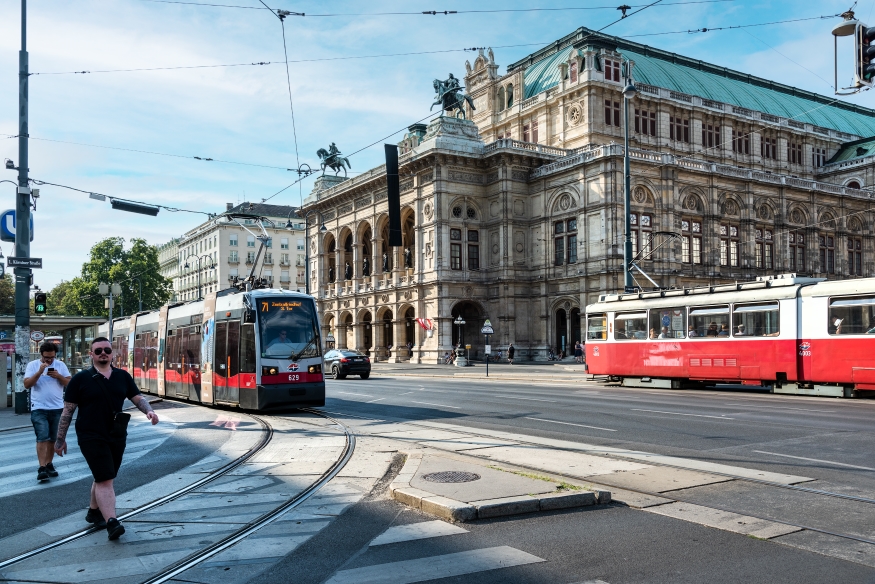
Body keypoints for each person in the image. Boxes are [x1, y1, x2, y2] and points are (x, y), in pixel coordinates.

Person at [55, 337, 159, 540]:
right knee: (104, 478)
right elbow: (67, 411)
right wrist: (60, 439)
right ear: (91, 354)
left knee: (105, 476)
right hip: (90, 435)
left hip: (117, 433)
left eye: (107, 350)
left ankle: (93, 512)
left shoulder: (122, 376)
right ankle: (112, 521)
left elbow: (137, 397)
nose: (103, 353)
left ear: (113, 354)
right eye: (99, 350)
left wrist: (149, 411)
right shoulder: (80, 379)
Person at [24, 342, 72, 482]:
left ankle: (49, 464)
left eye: (51, 357)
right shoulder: (32, 365)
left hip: (57, 407)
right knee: (42, 437)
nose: (49, 360)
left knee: (52, 438)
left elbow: (69, 383)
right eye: (46, 357)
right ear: (41, 355)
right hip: (38, 407)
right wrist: (39, 372)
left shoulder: (60, 365)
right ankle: (41, 467)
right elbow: (27, 384)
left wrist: (58, 376)